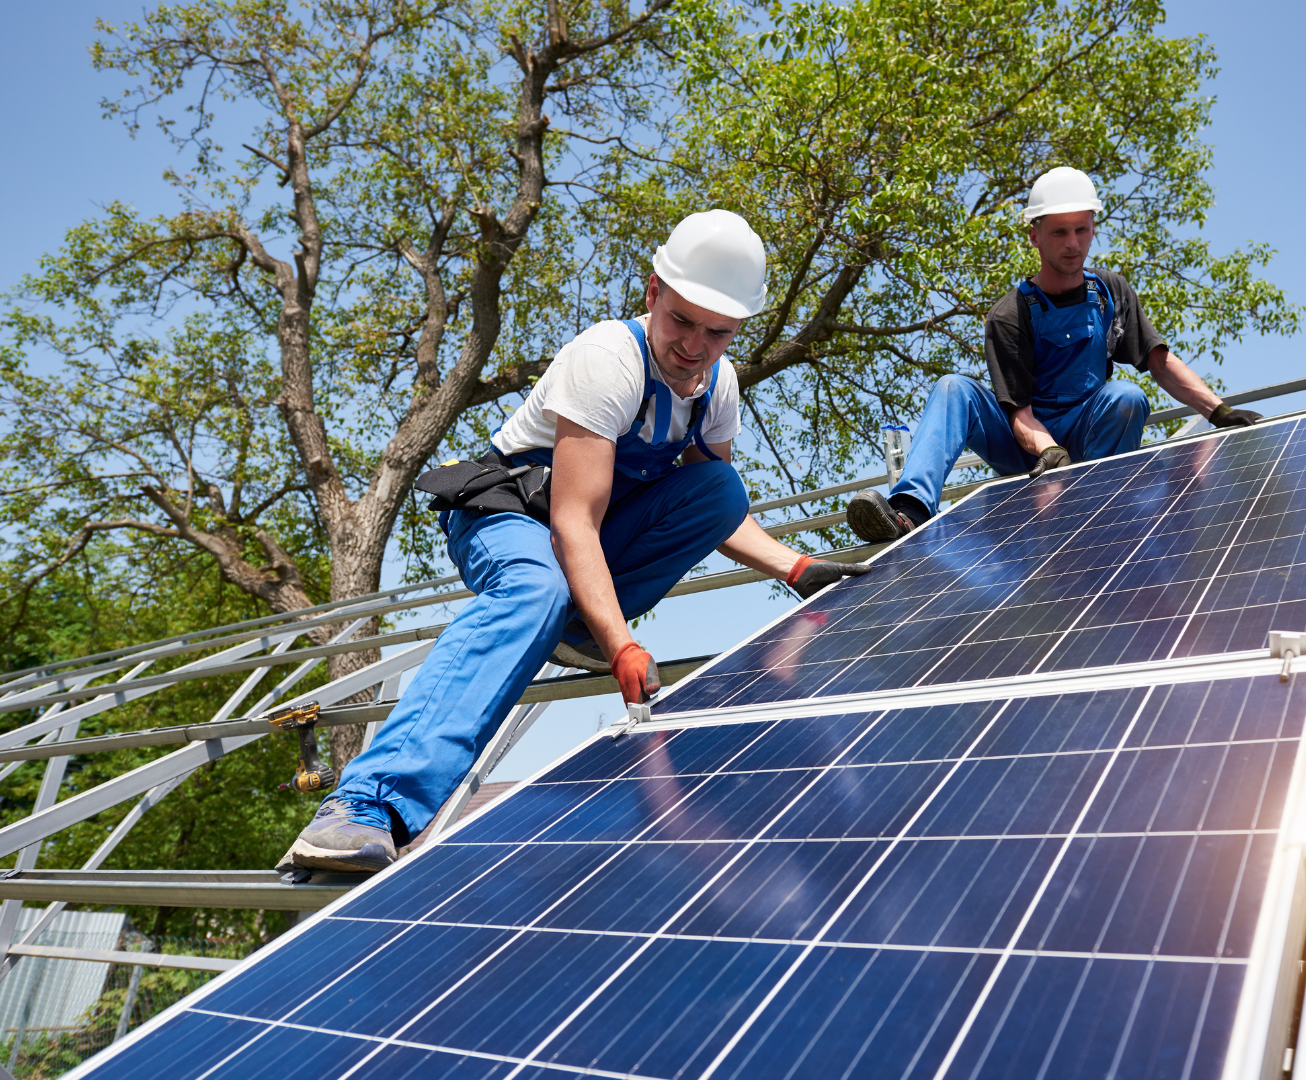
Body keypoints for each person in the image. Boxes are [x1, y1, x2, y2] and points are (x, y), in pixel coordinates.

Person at [278, 210, 869, 873]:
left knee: (722, 487)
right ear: (653, 294)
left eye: (719, 331)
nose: (695, 346)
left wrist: (798, 568)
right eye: (681, 320)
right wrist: (621, 642)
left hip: (585, 543)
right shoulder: (606, 360)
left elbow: (715, 511)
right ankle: (365, 806)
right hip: (512, 518)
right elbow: (573, 523)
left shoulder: (717, 389)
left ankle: (576, 627)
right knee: (535, 588)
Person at [847, 167, 1263, 543]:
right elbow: (1018, 414)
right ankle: (910, 512)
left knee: (1126, 396)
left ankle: (1102, 513)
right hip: (1026, 446)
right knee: (952, 388)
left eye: (1081, 230)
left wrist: (1218, 412)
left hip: (1088, 432)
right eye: (1060, 232)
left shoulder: (1109, 293)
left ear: (1093, 227)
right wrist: (1048, 450)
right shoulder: (1010, 314)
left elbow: (1158, 361)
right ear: (1035, 235)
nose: (1073, 243)